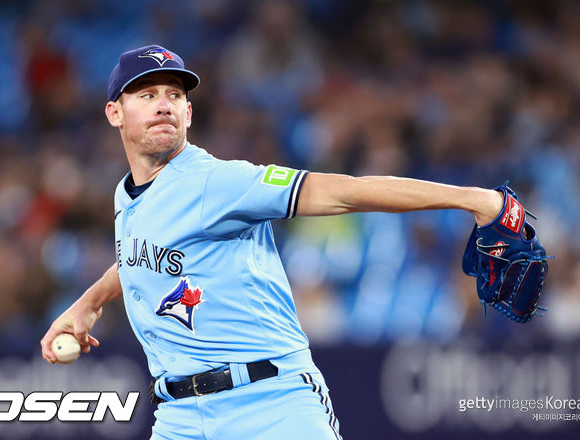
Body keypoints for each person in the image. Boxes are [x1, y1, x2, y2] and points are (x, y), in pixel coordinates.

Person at [40, 44, 503, 440]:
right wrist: (90, 301)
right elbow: (144, 254)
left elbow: (346, 191)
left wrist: (472, 199)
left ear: (189, 112)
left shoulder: (217, 182)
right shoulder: (128, 193)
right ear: (115, 113)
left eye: (174, 95)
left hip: (270, 403)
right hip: (179, 415)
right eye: (147, 94)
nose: (164, 104)